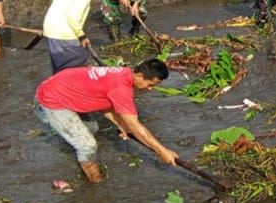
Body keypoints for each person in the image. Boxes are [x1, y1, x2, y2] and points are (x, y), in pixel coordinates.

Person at [34, 59, 179, 184]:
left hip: (63, 87)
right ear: (140, 76)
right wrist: (162, 150)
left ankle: (77, 152)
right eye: (150, 84)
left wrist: (120, 124)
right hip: (51, 99)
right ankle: (96, 183)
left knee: (92, 128)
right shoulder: (121, 88)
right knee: (88, 146)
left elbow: (104, 101)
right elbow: (135, 125)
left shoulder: (124, 72)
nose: (150, 89)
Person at [42, 0, 115, 73]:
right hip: (62, 33)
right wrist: (82, 36)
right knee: (78, 63)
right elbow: (72, 18)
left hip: (51, 32)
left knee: (61, 71)